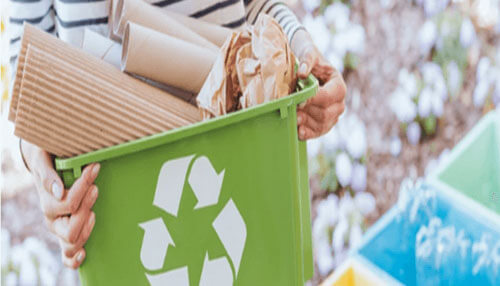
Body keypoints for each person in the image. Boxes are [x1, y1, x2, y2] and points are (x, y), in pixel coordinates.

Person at [11, 0, 346, 269]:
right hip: (108, 188)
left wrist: (303, 54)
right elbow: (26, 64)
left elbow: (257, 7)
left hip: (238, 146)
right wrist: (41, 168)